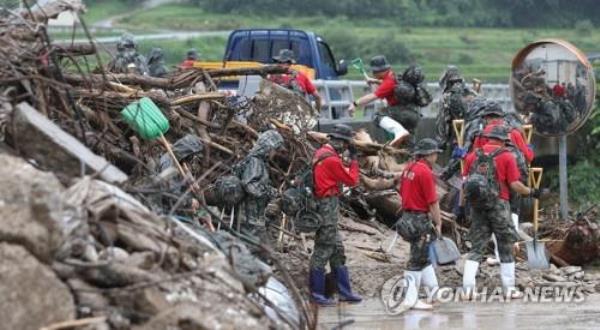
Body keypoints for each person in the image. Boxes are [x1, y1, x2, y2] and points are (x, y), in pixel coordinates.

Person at [460, 125, 541, 299]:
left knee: (476, 248)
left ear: (489, 138)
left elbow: (465, 184)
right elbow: (515, 185)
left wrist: (463, 206)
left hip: (477, 207)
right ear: (504, 140)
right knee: (505, 246)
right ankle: (509, 289)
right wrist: (531, 191)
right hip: (499, 206)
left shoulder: (472, 156)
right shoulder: (507, 156)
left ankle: (467, 289)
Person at [310, 124, 361, 306]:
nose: (346, 147)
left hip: (324, 204)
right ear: (339, 142)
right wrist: (354, 160)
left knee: (337, 249)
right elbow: (352, 180)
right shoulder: (331, 159)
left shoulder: (321, 153)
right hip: (327, 206)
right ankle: (316, 294)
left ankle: (344, 292)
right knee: (323, 248)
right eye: (346, 144)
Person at [396, 138, 443, 310]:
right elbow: (432, 202)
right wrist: (439, 222)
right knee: (416, 260)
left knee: (423, 257)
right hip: (419, 220)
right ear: (428, 154)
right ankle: (410, 299)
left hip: (407, 217)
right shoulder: (425, 172)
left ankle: (434, 293)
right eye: (435, 153)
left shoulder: (408, 168)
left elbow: (402, 191)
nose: (437, 155)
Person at [347, 55, 412, 147]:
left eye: (374, 72)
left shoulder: (388, 82)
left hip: (401, 112)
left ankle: (400, 131)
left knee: (378, 116)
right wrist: (374, 81)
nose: (373, 74)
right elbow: (386, 84)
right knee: (405, 145)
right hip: (409, 112)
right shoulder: (392, 76)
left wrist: (355, 104)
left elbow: (373, 96)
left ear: (379, 71)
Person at [238, 130, 284, 243]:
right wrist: (269, 192)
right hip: (250, 219)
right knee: (259, 252)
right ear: (268, 147)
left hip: (254, 218)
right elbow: (250, 185)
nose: (275, 153)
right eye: (274, 150)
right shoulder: (255, 162)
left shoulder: (258, 162)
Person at [435, 65, 477, 150]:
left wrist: (443, 140)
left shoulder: (449, 96)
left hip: (459, 130)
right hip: (462, 129)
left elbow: (443, 121)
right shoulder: (452, 94)